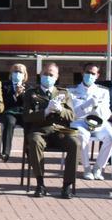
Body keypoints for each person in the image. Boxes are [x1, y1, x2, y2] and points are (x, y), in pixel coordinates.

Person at [22, 62, 80, 199]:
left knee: (75, 144)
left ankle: (67, 185)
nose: (47, 77)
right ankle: (40, 184)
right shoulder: (31, 94)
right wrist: (45, 111)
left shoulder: (63, 93)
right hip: (39, 130)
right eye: (45, 74)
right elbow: (26, 117)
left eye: (51, 75)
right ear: (40, 75)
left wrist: (60, 110)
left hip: (60, 131)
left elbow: (72, 116)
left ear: (57, 77)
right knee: (35, 142)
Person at [69, 63, 112, 181]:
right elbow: (73, 114)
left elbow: (106, 114)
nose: (90, 75)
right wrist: (87, 104)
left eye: (93, 73)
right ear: (82, 73)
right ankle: (86, 168)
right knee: (82, 136)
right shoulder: (72, 91)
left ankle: (98, 168)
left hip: (98, 122)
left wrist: (97, 107)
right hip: (80, 122)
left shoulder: (103, 91)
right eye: (87, 72)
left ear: (97, 75)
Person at [0, 63, 29, 163]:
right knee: (9, 122)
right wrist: (15, 95)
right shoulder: (4, 86)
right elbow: (3, 101)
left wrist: (22, 94)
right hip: (9, 112)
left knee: (29, 123)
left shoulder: (29, 88)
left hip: (22, 113)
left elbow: (29, 104)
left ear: (24, 75)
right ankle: (5, 153)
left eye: (20, 72)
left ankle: (30, 153)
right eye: (15, 71)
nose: (17, 74)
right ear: (11, 74)